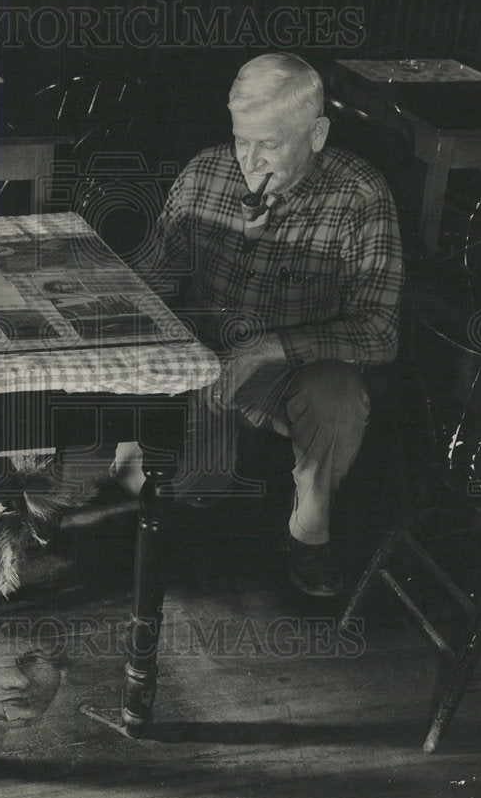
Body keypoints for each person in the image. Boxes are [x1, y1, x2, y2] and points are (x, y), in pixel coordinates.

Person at [110, 52, 404, 597]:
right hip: (204, 362)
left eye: (270, 144)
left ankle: (309, 533)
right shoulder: (205, 172)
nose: (250, 161)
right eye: (242, 140)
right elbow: (150, 275)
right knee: (165, 490)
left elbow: (380, 331)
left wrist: (269, 348)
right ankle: (193, 479)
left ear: (316, 134)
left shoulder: (360, 195)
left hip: (291, 371)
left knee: (338, 395)